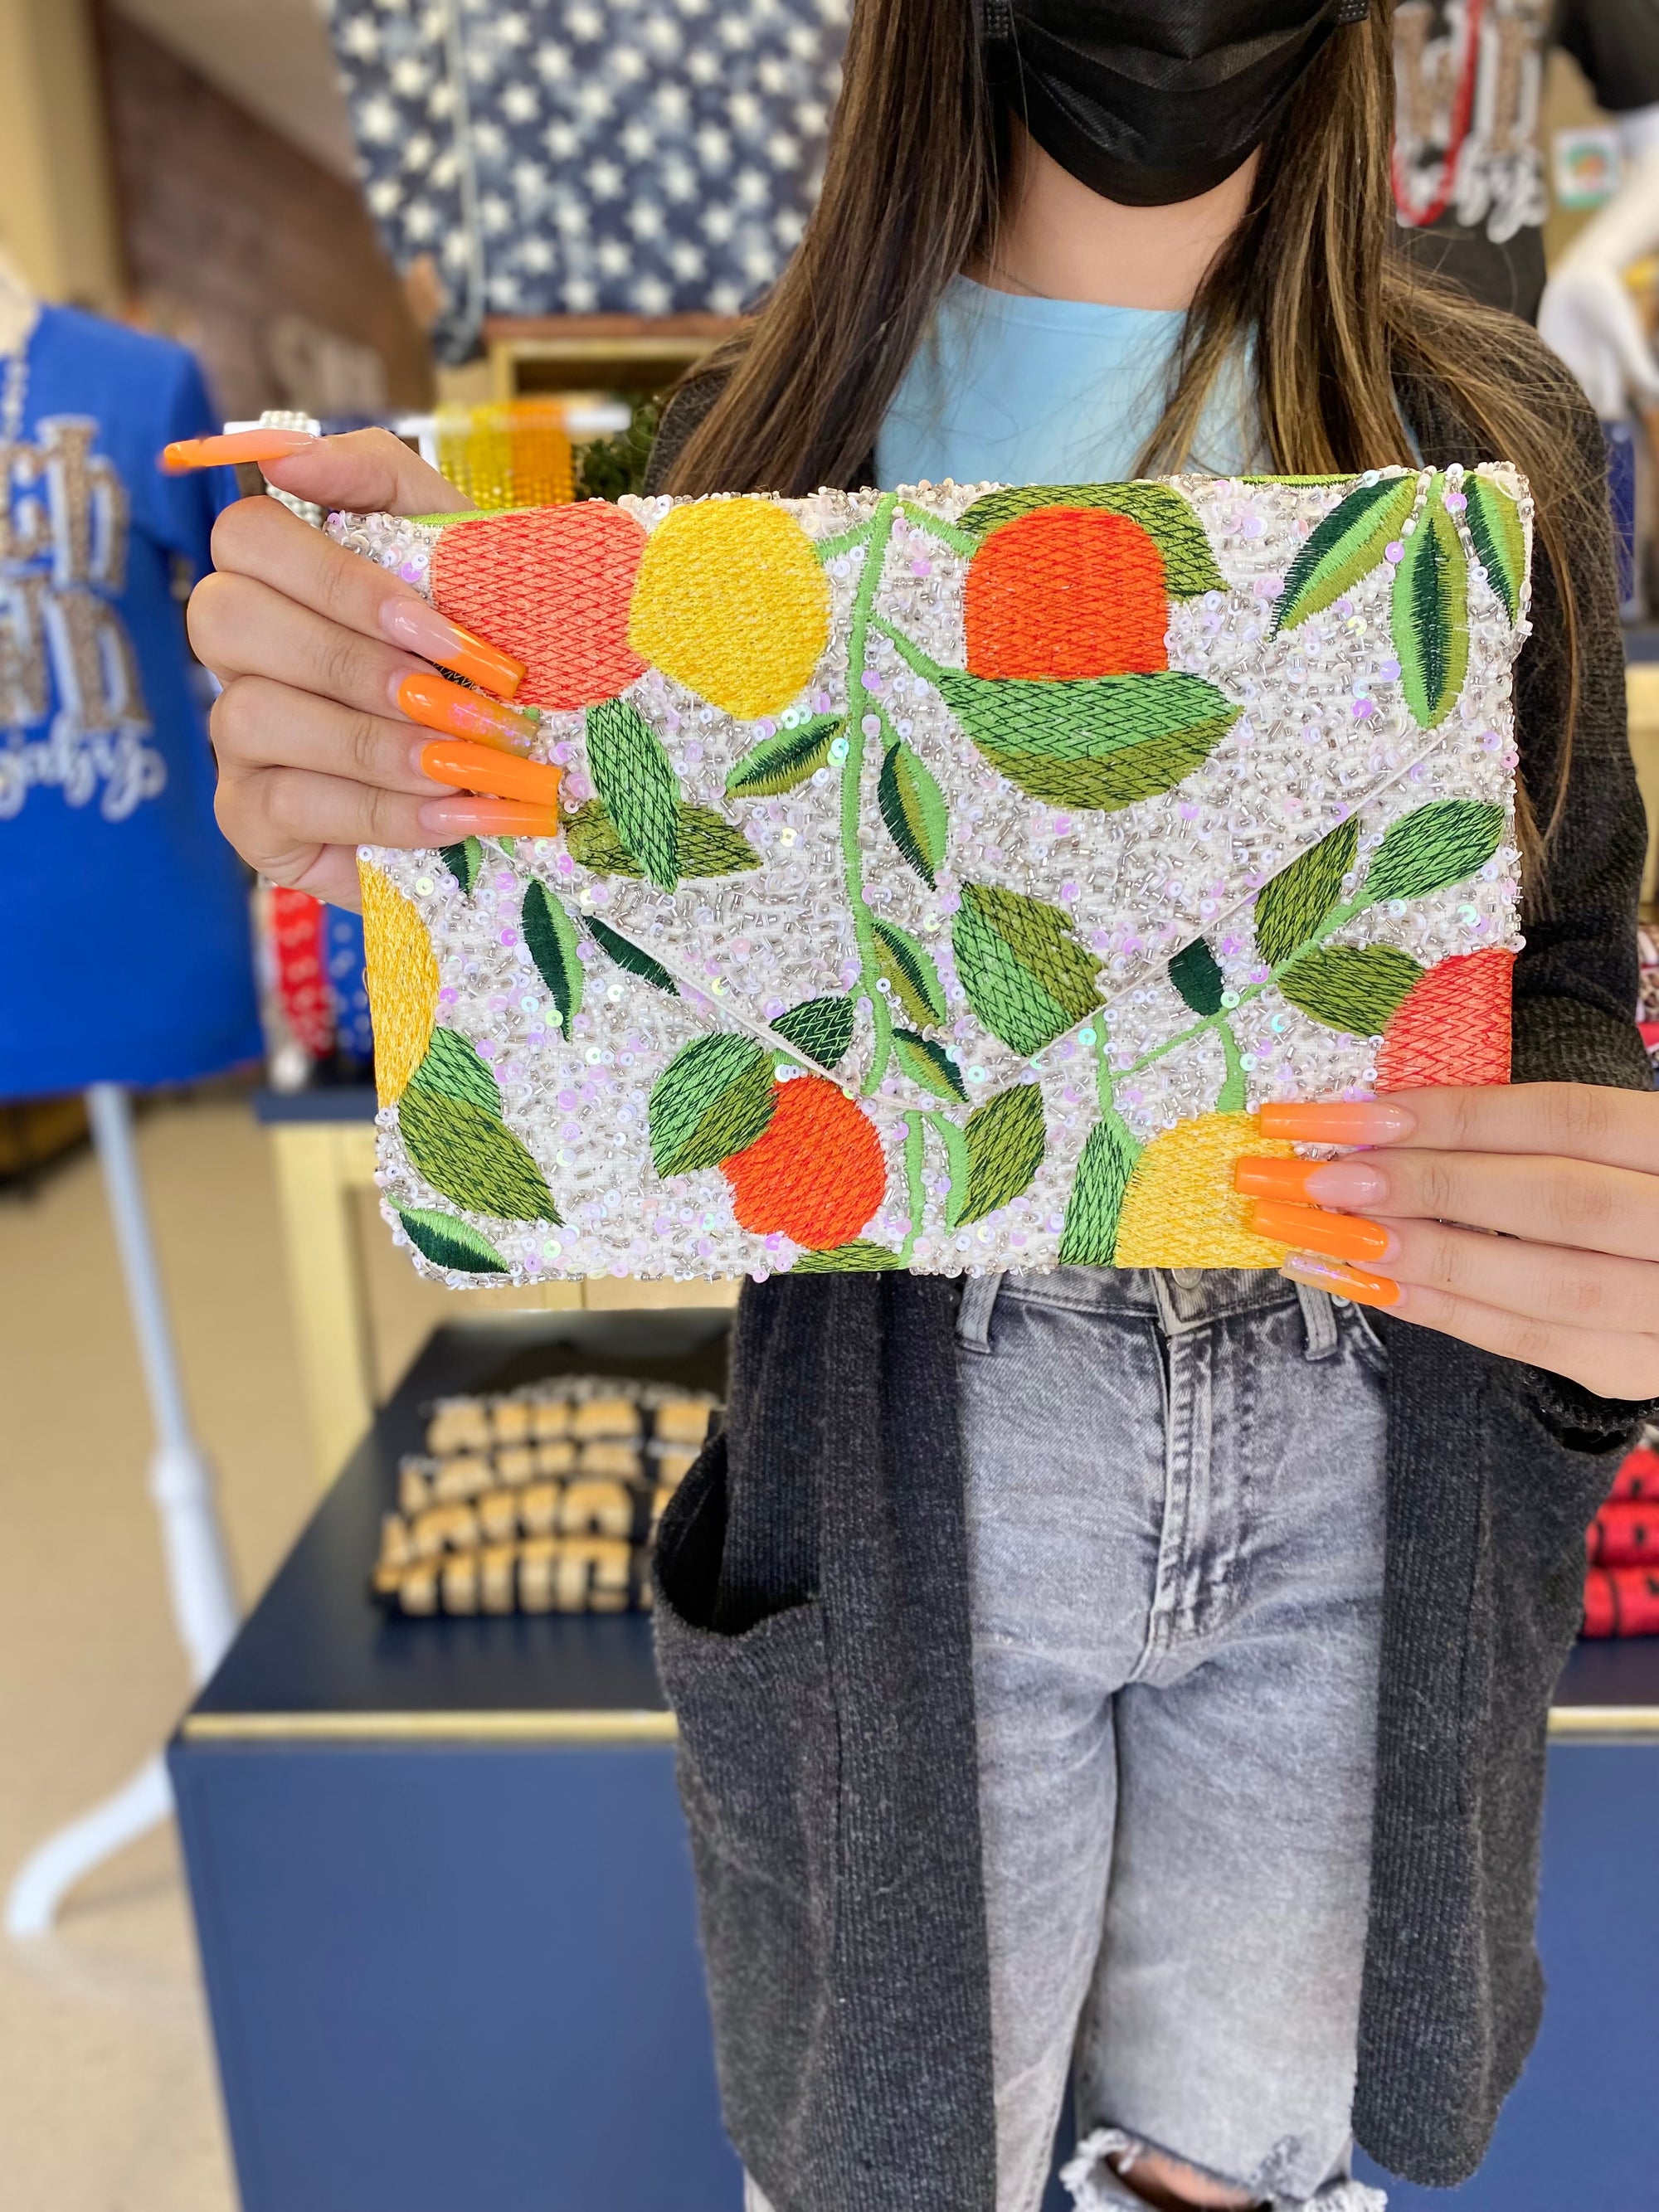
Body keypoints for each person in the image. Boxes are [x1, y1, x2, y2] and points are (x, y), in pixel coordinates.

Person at [187, 3, 1659, 2206]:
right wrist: (408, 711)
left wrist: (1599, 1211)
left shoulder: (1496, 430)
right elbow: (634, 960)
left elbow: (1568, 956)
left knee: (1248, 2146)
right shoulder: (742, 450)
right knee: (907, 2151)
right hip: (928, 1437)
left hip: (1371, 1417)